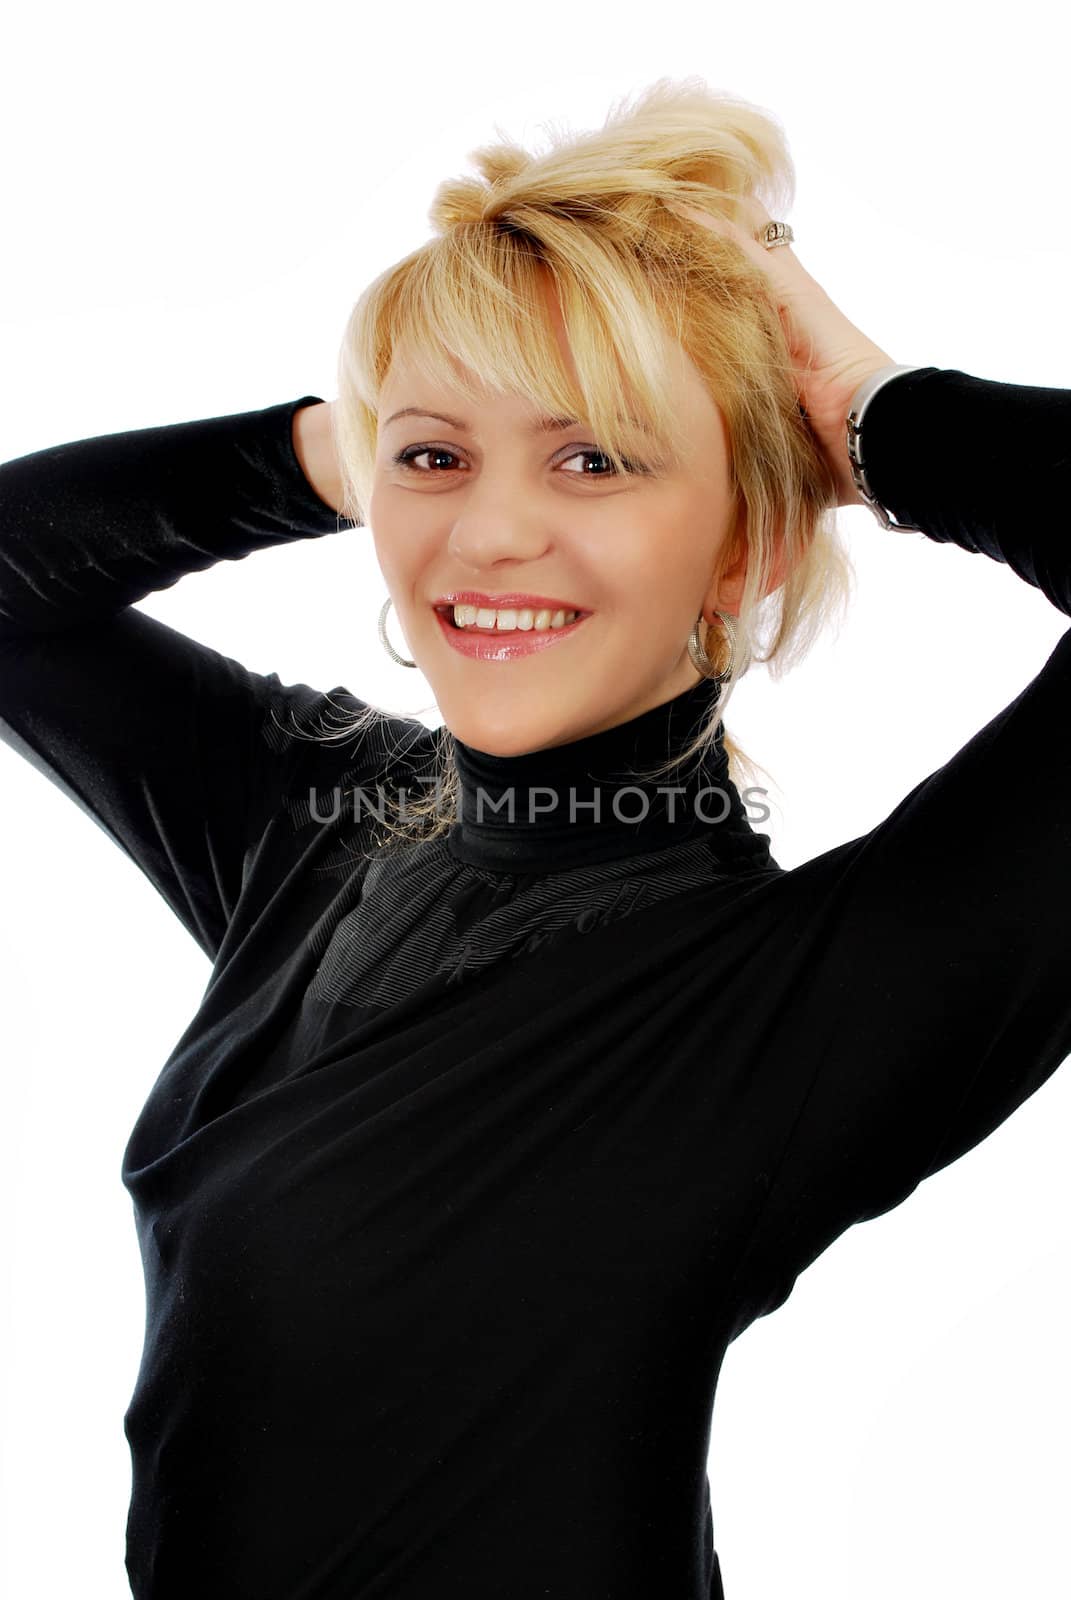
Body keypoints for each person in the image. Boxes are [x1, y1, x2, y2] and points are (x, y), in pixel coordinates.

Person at [1, 79, 1068, 1600]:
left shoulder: (802, 1009)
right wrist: (361, 433)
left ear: (751, 542)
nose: (489, 534)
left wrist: (870, 412)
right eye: (436, 464)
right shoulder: (321, 824)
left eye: (596, 459)